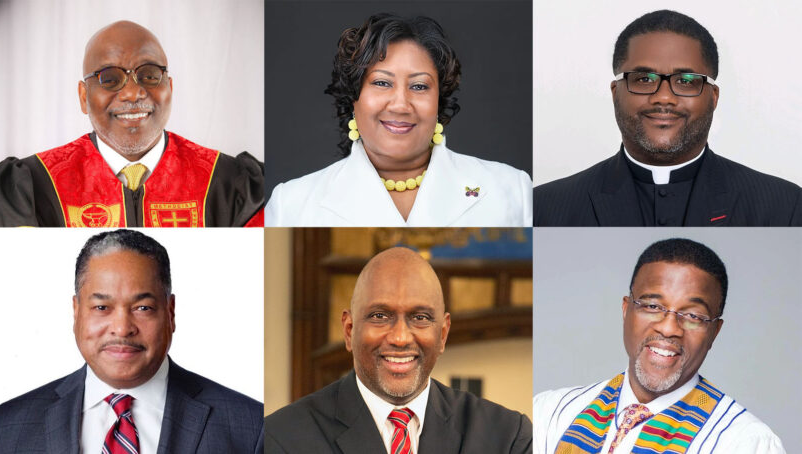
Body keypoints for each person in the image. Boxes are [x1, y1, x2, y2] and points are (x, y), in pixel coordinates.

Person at [0, 230, 263, 452]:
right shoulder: (5, 428)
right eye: (102, 308)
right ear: (76, 312)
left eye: (142, 308)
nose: (122, 328)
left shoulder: (251, 428)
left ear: (170, 312)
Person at [533, 10, 801, 226]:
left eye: (685, 81)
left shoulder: (785, 208)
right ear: (616, 93)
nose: (663, 97)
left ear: (714, 96)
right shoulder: (545, 207)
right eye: (644, 79)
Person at [265, 14, 532, 227]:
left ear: (439, 100)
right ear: (353, 97)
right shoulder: (292, 204)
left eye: (419, 86)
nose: (401, 105)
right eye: (382, 83)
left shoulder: (511, 190)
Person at [0, 21, 264, 227]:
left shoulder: (232, 185)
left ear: (170, 88)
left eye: (149, 75)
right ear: (83, 97)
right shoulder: (30, 187)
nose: (133, 93)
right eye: (109, 79)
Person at [265, 247, 531, 453]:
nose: (401, 338)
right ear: (349, 330)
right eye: (380, 316)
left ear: (442, 334)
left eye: (421, 317)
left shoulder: (507, 437)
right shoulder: (281, 439)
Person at [533, 238, 784, 453]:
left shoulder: (743, 443)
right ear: (625, 309)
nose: (669, 328)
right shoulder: (551, 414)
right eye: (652, 306)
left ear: (714, 332)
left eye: (693, 315)